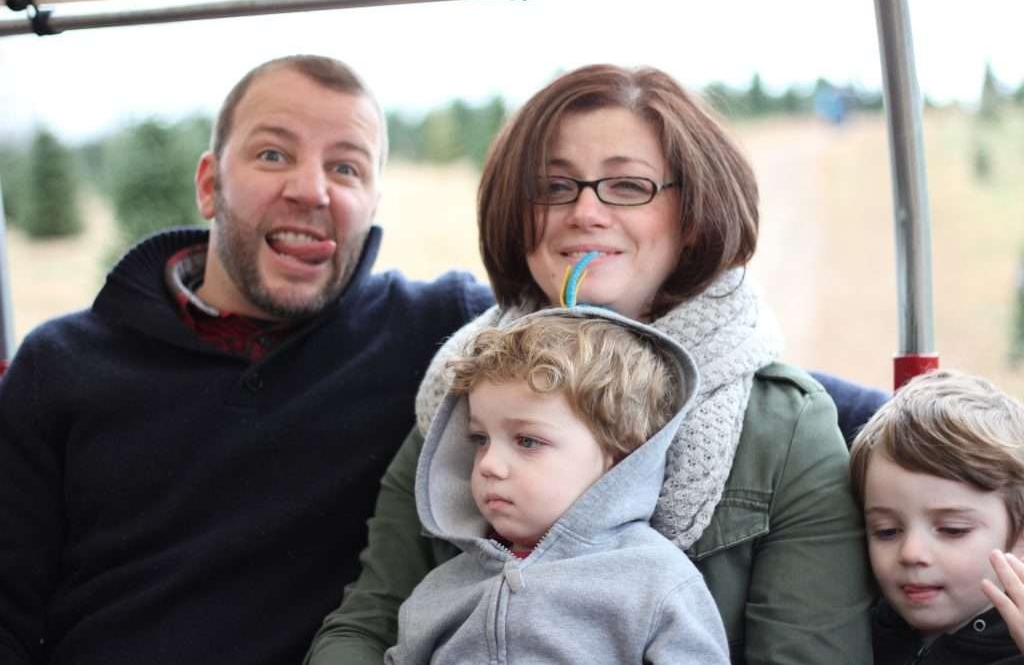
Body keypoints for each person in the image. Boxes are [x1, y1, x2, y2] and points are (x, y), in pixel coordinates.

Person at [306, 63, 874, 664]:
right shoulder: (460, 398)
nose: (584, 212)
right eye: (553, 187)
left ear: (693, 215)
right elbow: (367, 623)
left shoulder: (781, 430)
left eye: (628, 186)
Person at [0, 55, 493, 664]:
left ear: (371, 205)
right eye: (273, 155)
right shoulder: (59, 365)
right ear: (209, 185)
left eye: (346, 167)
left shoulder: (442, 330)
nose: (312, 190)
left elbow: (606, 319)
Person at [385, 308, 729, 664]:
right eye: (480, 439)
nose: (488, 464)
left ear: (618, 452)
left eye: (527, 442)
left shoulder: (657, 583)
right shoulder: (440, 591)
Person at [849, 369, 1024, 664]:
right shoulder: (854, 629)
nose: (911, 553)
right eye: (887, 531)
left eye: (952, 529)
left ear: (1020, 535)